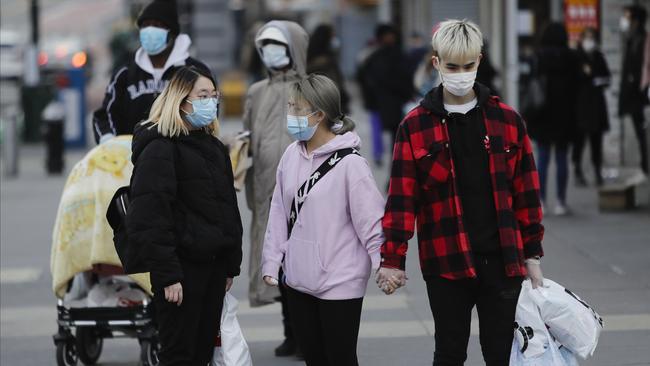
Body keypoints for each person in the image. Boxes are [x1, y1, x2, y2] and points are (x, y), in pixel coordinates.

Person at [376, 19, 545, 366]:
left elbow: (526, 192)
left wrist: (533, 255)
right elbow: (402, 198)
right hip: (445, 260)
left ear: (479, 61)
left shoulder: (507, 121)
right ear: (436, 63)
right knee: (450, 352)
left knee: (501, 354)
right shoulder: (415, 126)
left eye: (468, 65)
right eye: (452, 66)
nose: (461, 73)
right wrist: (392, 259)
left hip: (503, 260)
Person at [262, 74, 385, 366]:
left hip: (341, 279)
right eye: (290, 106)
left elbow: (372, 223)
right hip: (298, 278)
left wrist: (385, 265)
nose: (290, 115)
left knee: (340, 359)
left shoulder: (351, 165)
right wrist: (272, 261)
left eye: (297, 108)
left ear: (319, 114)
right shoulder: (291, 154)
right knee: (314, 359)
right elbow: (279, 211)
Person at [126, 66, 243, 365]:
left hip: (214, 269)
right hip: (180, 272)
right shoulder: (159, 148)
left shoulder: (213, 148)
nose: (210, 102)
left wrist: (230, 264)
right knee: (179, 354)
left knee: (203, 352)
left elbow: (227, 208)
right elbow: (149, 218)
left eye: (213, 96)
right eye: (202, 95)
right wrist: (168, 275)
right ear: (180, 99)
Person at [242, 20, 309, 357]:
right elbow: (248, 138)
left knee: (305, 264)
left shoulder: (312, 88)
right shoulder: (256, 92)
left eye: (279, 45)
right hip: (267, 193)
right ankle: (290, 331)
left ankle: (307, 332)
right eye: (266, 45)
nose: (271, 52)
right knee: (278, 266)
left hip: (307, 195)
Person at [92, 0, 210, 144]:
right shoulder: (126, 73)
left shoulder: (195, 72)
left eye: (157, 25)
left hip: (182, 159)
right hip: (131, 159)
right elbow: (105, 115)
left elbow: (207, 116)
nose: (150, 31)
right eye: (145, 25)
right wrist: (109, 140)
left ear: (171, 33)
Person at [527, 22, 580, 215]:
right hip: (565, 115)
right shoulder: (572, 57)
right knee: (562, 158)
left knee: (542, 158)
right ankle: (560, 202)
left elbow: (531, 84)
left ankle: (541, 202)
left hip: (543, 114)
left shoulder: (539, 57)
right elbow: (578, 87)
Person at [358, 24, 413, 165]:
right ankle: (380, 156)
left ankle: (393, 162)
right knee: (380, 132)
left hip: (395, 102)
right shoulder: (376, 56)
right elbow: (365, 79)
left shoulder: (398, 55)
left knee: (397, 137)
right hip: (380, 102)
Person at [574, 27, 611, 186]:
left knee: (596, 140)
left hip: (596, 104)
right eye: (587, 37)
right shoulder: (577, 57)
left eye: (592, 37)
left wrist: (594, 76)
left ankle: (597, 170)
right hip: (580, 104)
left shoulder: (599, 56)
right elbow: (573, 79)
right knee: (579, 140)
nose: (590, 40)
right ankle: (577, 170)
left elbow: (607, 77)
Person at [619, 5, 649, 174]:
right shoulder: (631, 38)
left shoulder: (642, 39)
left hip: (641, 94)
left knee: (642, 131)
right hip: (634, 94)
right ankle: (644, 165)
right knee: (640, 132)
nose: (625, 20)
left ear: (636, 20)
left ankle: (645, 165)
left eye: (628, 17)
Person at [307, 24, 350, 113]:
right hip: (323, 101)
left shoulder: (327, 55)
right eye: (331, 35)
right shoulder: (321, 59)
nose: (333, 38)